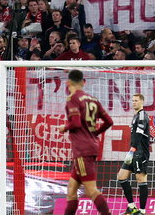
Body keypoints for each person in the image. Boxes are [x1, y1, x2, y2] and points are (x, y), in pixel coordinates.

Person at [60, 69, 115, 215]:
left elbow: (76, 123)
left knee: (91, 190)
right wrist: (94, 133)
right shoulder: (93, 99)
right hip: (90, 146)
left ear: (68, 83)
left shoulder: (72, 98)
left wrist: (64, 127)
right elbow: (109, 121)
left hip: (82, 149)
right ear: (83, 82)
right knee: (71, 190)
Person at [116, 93, 150, 215]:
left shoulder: (142, 116)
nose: (133, 102)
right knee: (121, 176)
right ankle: (131, 207)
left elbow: (139, 135)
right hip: (134, 151)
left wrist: (133, 149)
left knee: (140, 179)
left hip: (140, 152)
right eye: (133, 100)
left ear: (142, 101)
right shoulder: (136, 115)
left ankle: (142, 211)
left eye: (136, 100)